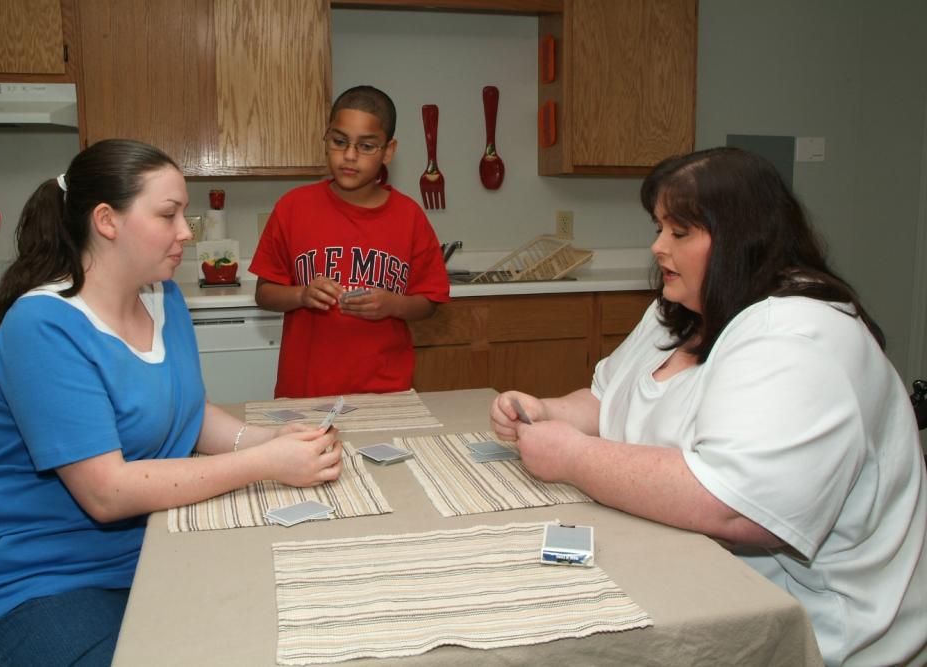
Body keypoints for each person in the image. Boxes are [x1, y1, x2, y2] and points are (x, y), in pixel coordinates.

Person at [491, 147, 927, 667]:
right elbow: (609, 400)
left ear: (743, 239)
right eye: (658, 228)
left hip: (817, 632)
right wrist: (549, 411)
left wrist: (572, 457)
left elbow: (738, 506)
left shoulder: (801, 335)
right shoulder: (677, 310)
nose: (656, 247)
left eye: (679, 233)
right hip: (696, 574)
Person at [0, 139, 342, 666]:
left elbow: (188, 415)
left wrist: (269, 439)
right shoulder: (44, 327)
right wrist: (263, 463)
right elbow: (107, 493)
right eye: (168, 215)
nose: (187, 232)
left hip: (145, 558)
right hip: (26, 585)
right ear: (107, 220)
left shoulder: (163, 296)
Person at [250, 85, 450, 398]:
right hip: (306, 390)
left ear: (388, 151)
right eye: (339, 141)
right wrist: (302, 295)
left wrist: (392, 304)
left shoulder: (409, 217)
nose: (350, 155)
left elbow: (430, 303)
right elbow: (264, 293)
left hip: (385, 391)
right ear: (326, 139)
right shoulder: (293, 208)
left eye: (367, 146)